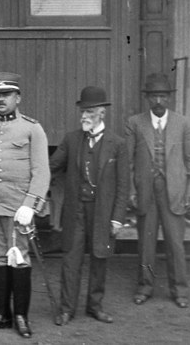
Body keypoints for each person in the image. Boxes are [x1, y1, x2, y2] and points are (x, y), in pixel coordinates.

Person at [0, 72, 49, 339]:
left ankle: (21, 316)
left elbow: (42, 172)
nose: (0, 100)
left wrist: (31, 205)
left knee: (19, 259)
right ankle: (1, 314)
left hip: (18, 209)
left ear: (18, 97)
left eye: (6, 95)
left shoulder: (32, 128)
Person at [50, 86, 129, 325]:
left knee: (99, 258)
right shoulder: (71, 139)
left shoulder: (118, 144)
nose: (84, 116)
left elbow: (123, 186)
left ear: (102, 114)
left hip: (103, 213)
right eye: (82, 111)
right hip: (75, 211)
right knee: (70, 260)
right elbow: (51, 166)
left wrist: (117, 218)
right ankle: (66, 309)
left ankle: (95, 307)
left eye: (90, 111)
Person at [127, 72, 190, 309]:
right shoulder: (135, 123)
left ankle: (179, 290)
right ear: (147, 98)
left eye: (162, 96)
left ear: (169, 98)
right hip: (146, 192)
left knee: (175, 244)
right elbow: (127, 162)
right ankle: (145, 286)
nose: (158, 101)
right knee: (146, 245)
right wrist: (132, 190)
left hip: (175, 193)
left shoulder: (184, 123)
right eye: (153, 96)